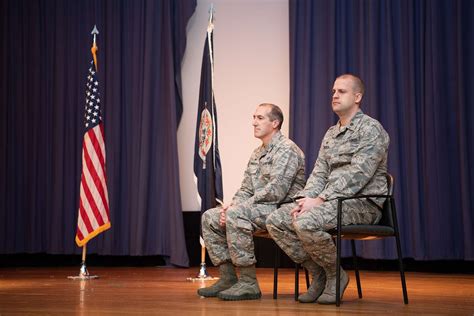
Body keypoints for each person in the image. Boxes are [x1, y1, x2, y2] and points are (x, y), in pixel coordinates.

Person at [266, 74, 390, 304]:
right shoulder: (331, 134)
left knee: (305, 222)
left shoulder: (371, 129)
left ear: (357, 97)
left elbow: (358, 175)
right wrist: (306, 199)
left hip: (362, 203)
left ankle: (335, 276)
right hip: (329, 201)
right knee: (276, 220)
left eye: (341, 91)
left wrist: (321, 199)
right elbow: (319, 173)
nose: (334, 95)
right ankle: (320, 274)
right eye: (333, 91)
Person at [198, 103, 306, 301]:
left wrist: (238, 208)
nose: (253, 122)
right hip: (259, 208)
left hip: (282, 209)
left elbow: (276, 191)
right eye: (254, 117)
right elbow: (247, 188)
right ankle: (228, 278)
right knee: (210, 217)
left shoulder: (287, 149)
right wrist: (231, 204)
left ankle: (248, 283)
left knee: (236, 214)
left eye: (259, 118)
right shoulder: (257, 153)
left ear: (275, 123)